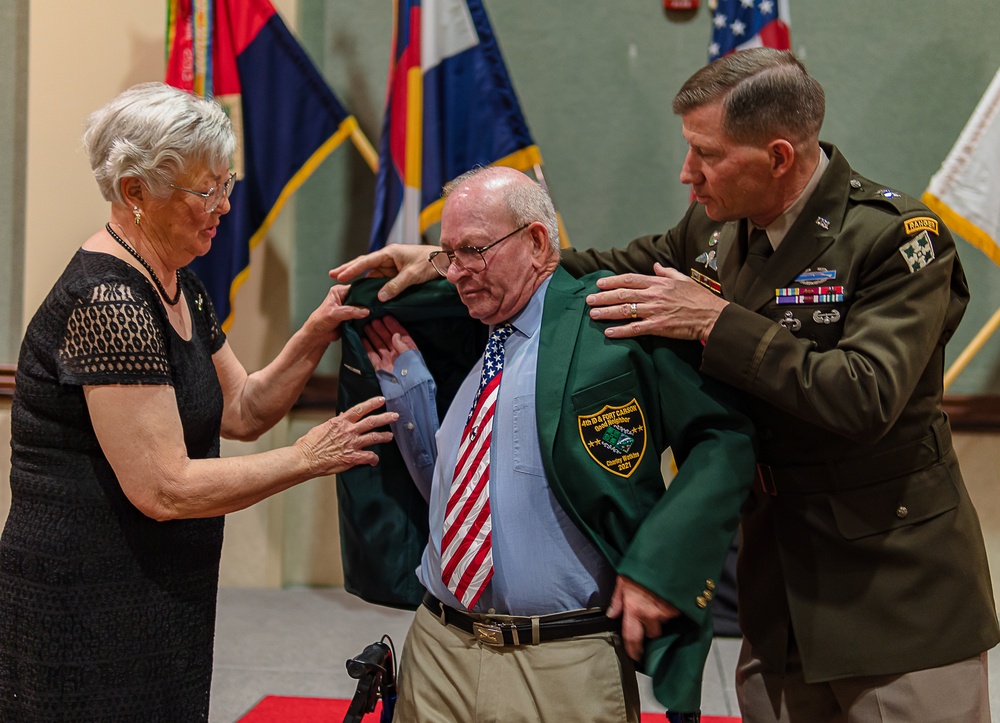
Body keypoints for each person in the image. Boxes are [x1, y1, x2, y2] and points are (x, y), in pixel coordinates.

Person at [332, 49, 1000, 722]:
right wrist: (448, 259)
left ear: (777, 157)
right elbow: (593, 272)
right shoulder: (715, 230)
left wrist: (717, 320)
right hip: (779, 583)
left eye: (707, 156)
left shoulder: (897, 241)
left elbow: (864, 394)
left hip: (894, 593)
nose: (689, 175)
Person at [0, 82, 396, 721]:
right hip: (87, 594)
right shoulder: (111, 302)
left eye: (226, 184)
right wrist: (307, 456)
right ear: (134, 192)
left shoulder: (178, 284)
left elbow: (240, 410)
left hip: (159, 583)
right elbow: (162, 488)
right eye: (203, 191)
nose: (224, 207)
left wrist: (315, 332)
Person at [343, 166, 756, 721]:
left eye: (474, 250)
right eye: (448, 255)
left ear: (536, 242)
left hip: (562, 659)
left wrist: (665, 566)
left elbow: (723, 438)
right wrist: (413, 391)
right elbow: (460, 488)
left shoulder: (608, 320)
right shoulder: (468, 336)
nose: (457, 274)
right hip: (438, 646)